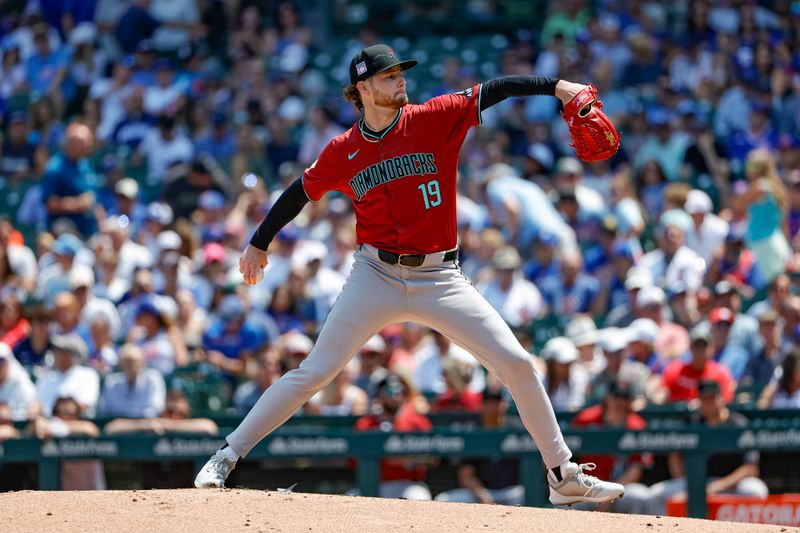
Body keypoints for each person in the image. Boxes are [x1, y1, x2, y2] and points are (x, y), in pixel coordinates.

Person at [195, 43, 625, 506]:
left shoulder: (434, 116)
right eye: (388, 76)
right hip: (375, 274)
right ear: (363, 88)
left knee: (518, 364)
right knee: (314, 372)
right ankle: (226, 456)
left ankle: (562, 476)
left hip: (440, 277)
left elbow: (496, 89)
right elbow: (300, 192)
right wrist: (260, 241)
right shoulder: (344, 150)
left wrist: (560, 88)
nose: (400, 81)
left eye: (401, 74)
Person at [646, 380, 769, 515]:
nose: (709, 403)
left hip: (731, 485)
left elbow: (750, 468)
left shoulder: (739, 424)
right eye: (705, 399)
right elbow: (675, 456)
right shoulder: (691, 422)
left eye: (712, 398)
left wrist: (717, 487)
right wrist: (688, 483)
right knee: (655, 495)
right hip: (696, 483)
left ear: (721, 398)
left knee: (755, 491)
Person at [434, 386, 523, 505]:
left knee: (523, 494)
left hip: (511, 491)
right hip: (482, 492)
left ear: (504, 404)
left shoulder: (515, 429)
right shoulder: (474, 432)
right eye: (489, 402)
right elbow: (466, 476)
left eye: (497, 401)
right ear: (481, 405)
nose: (493, 406)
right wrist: (482, 494)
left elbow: (533, 469)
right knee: (444, 499)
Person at [40, 122, 99, 239]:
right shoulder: (55, 168)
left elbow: (94, 198)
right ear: (71, 144)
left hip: (89, 229)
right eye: (84, 143)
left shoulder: (85, 164)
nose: (88, 146)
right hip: (65, 231)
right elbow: (50, 203)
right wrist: (77, 204)